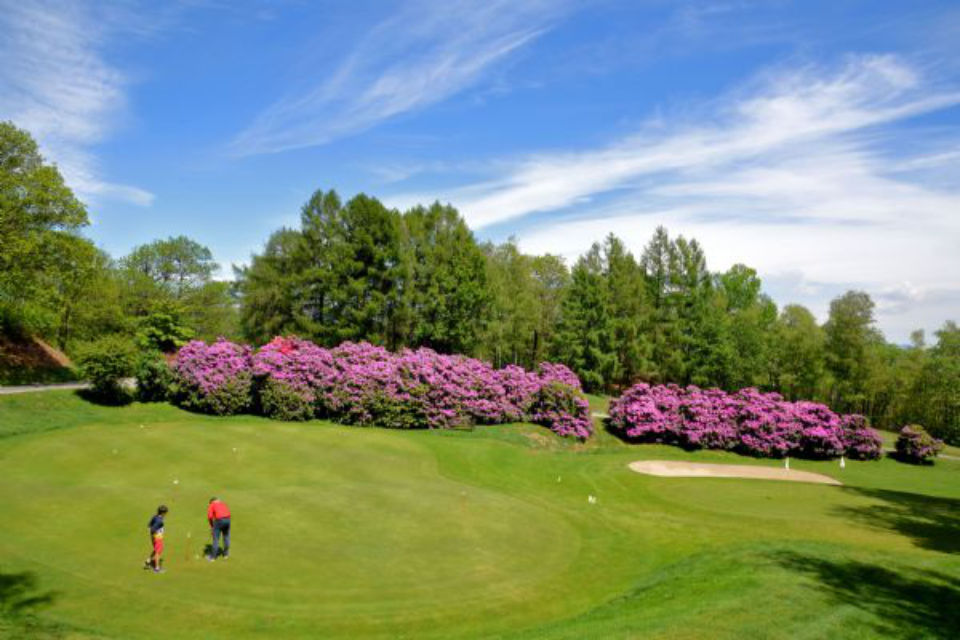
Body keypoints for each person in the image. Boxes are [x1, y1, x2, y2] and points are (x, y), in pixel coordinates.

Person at [144, 505, 168, 573]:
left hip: (154, 537)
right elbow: (152, 529)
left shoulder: (155, 516)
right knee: (158, 552)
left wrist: (152, 536)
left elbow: (149, 525)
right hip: (157, 538)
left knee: (156, 550)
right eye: (166, 513)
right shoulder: (160, 521)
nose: (166, 514)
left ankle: (148, 562)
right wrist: (155, 536)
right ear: (163, 513)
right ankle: (157, 568)